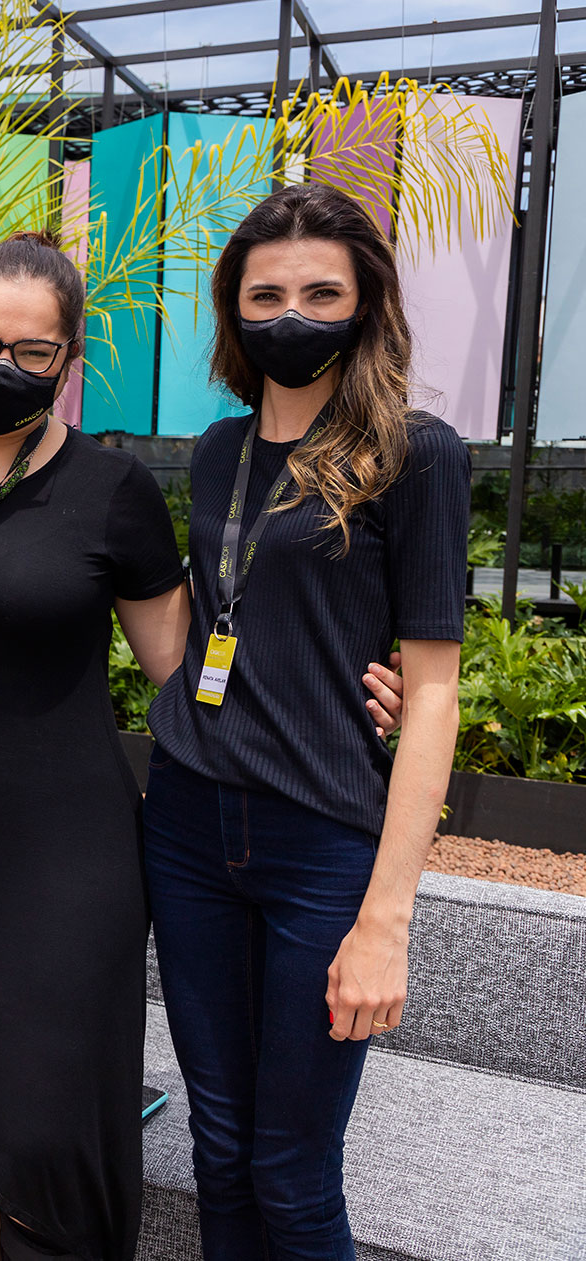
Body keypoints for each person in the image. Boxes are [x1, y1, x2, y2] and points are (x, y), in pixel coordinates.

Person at [0, 230, 406, 1261]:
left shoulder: (108, 488)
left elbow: (192, 668)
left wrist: (368, 696)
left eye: (30, 353)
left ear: (66, 364)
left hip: (66, 859)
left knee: (43, 1117)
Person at [141, 182, 466, 1260]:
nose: (291, 312)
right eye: (265, 291)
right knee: (218, 1149)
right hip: (185, 826)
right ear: (233, 310)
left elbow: (428, 691)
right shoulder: (214, 453)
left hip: (318, 843)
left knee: (290, 1170)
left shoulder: (414, 453)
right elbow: (206, 628)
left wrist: (385, 919)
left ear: (363, 303)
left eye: (320, 291)